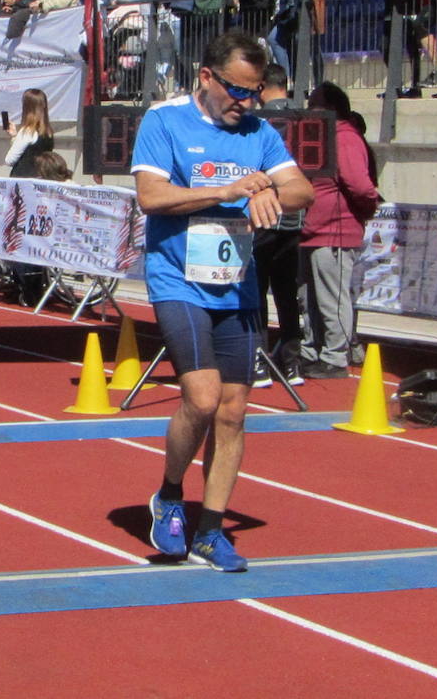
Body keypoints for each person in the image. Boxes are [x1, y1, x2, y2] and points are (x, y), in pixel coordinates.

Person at [132, 30, 313, 571]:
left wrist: (271, 192)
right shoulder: (164, 121)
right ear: (206, 77)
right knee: (203, 398)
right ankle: (170, 494)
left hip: (237, 285)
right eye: (237, 90)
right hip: (178, 281)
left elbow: (303, 188)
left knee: (234, 411)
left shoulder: (259, 132)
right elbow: (151, 197)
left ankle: (210, 531)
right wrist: (226, 191)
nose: (247, 103)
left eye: (254, 92)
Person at [297, 82, 381, 379]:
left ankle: (335, 356)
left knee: (332, 298)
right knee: (310, 299)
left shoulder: (344, 138)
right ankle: (313, 349)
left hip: (334, 231)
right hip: (312, 231)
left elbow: (359, 185)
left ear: (331, 109)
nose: (308, 111)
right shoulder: (319, 137)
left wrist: (365, 209)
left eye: (314, 105)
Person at [250, 64, 306, 387]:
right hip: (293, 219)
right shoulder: (306, 121)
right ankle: (292, 364)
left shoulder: (257, 124)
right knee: (287, 294)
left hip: (263, 217)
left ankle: (259, 362)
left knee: (256, 292)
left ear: (261, 87)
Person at [5, 88, 56, 305]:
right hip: (41, 186)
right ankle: (38, 282)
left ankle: (24, 283)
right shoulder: (48, 133)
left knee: (19, 234)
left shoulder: (27, 131)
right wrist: (15, 136)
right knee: (36, 234)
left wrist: (14, 138)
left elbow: (10, 159)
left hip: (22, 187)